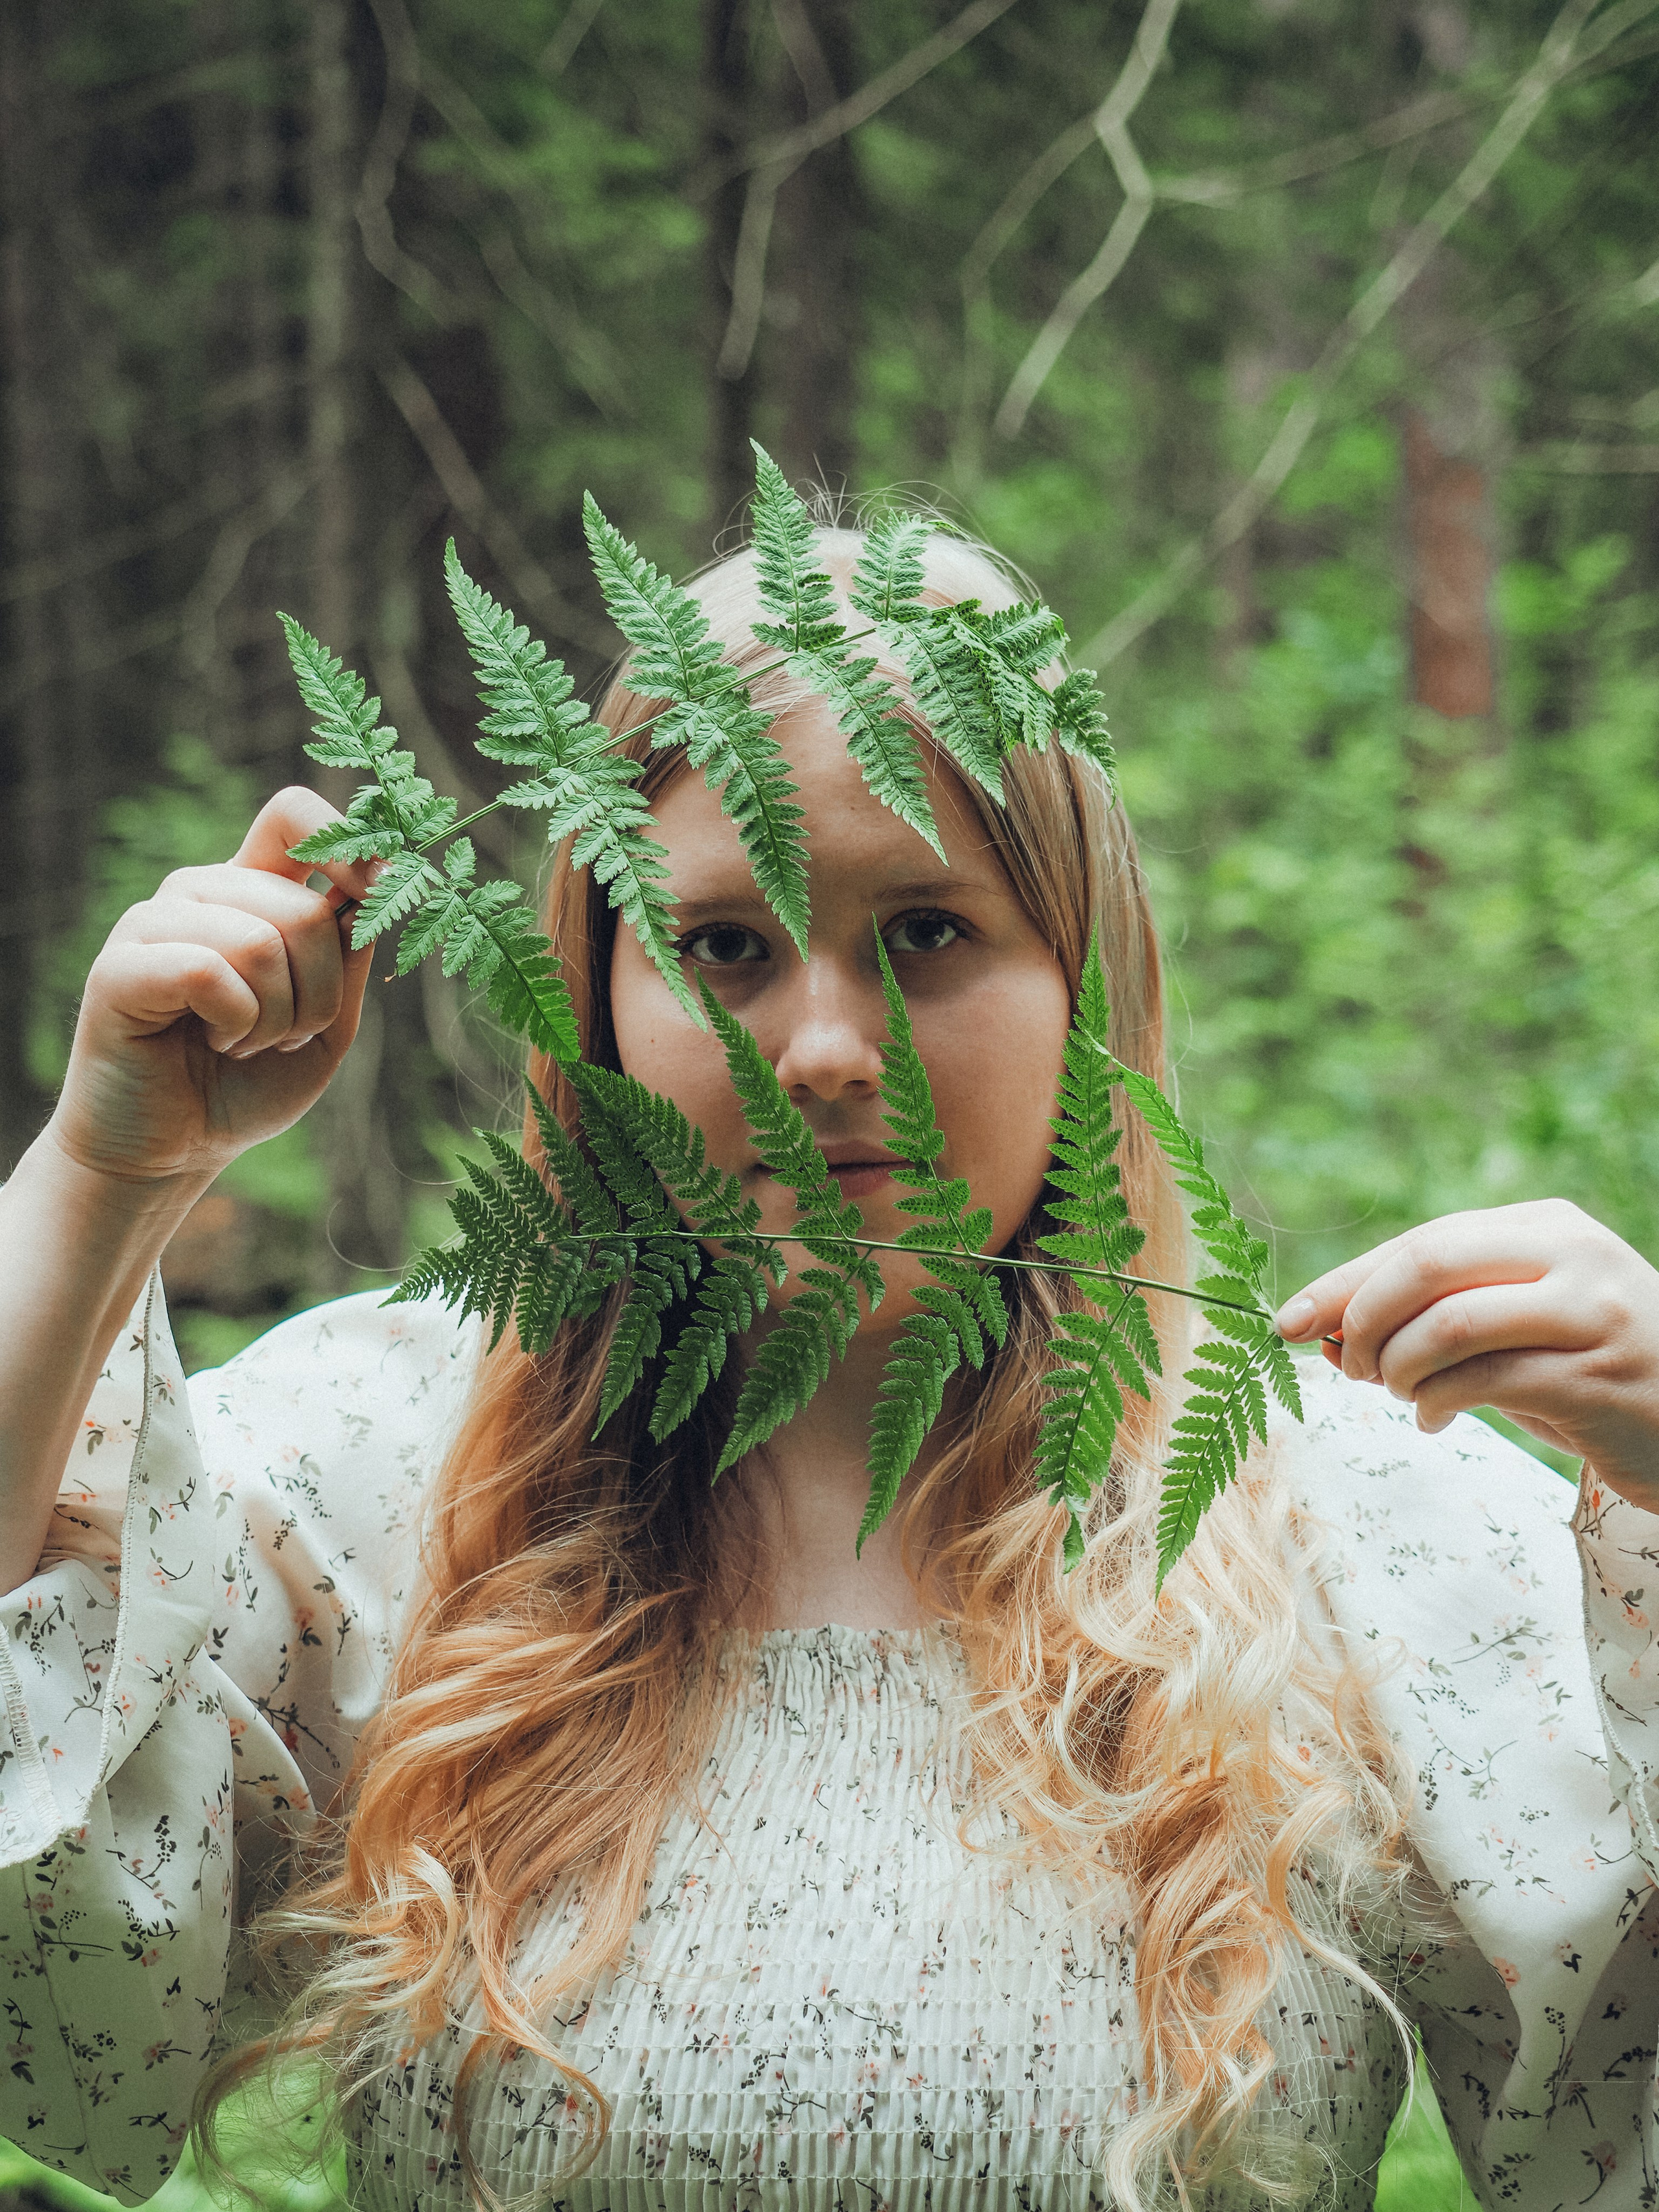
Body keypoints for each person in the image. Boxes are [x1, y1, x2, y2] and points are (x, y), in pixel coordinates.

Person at [2, 526, 1656, 2212]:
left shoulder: (1350, 1520)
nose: (820, 1048)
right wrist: (96, 1180)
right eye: (723, 946)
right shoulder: (399, 1468)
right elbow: (59, 2021)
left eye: (927, 931)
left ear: (1088, 982)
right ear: (599, 999)